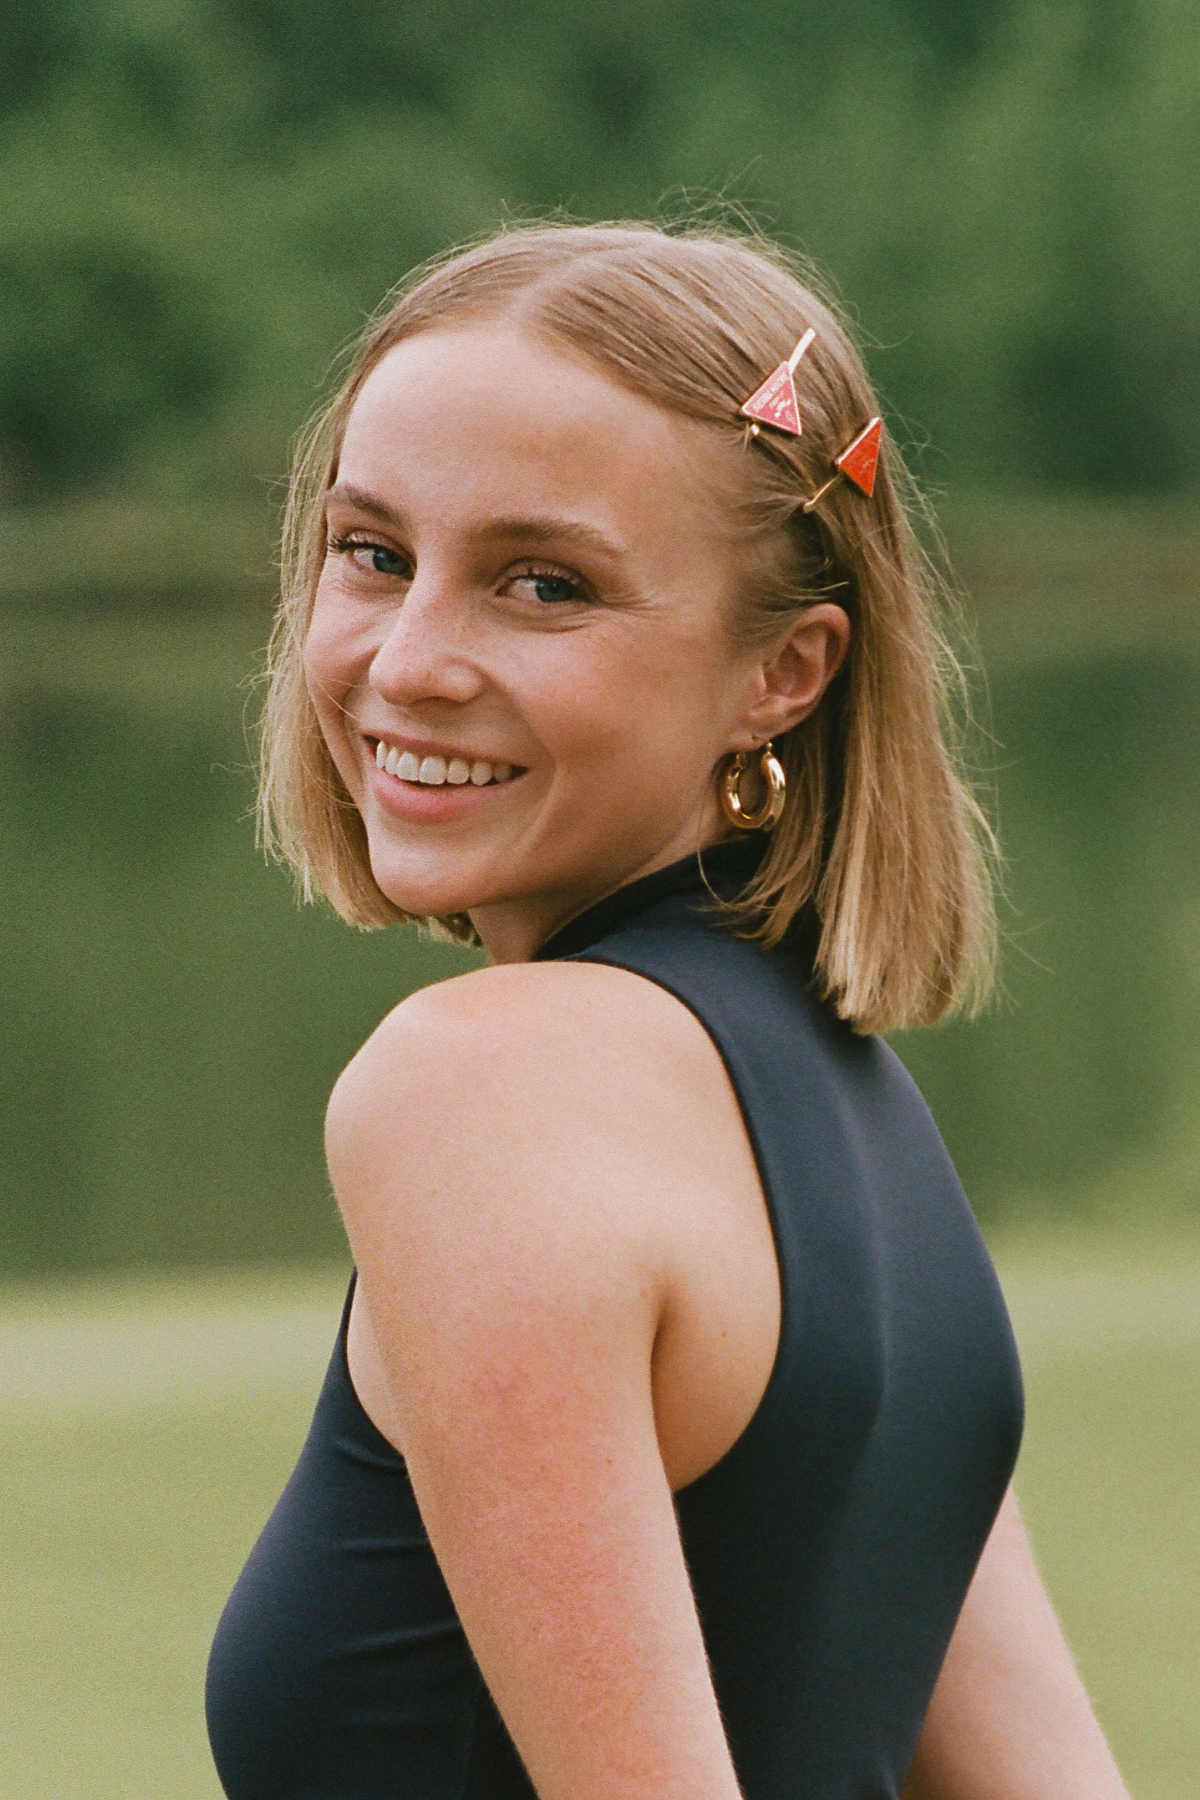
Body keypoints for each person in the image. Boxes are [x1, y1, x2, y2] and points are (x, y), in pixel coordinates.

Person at [205, 222, 1129, 1800]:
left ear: (786, 668)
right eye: (372, 551)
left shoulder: (479, 1086)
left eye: (542, 583)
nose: (406, 661)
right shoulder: (867, 1129)